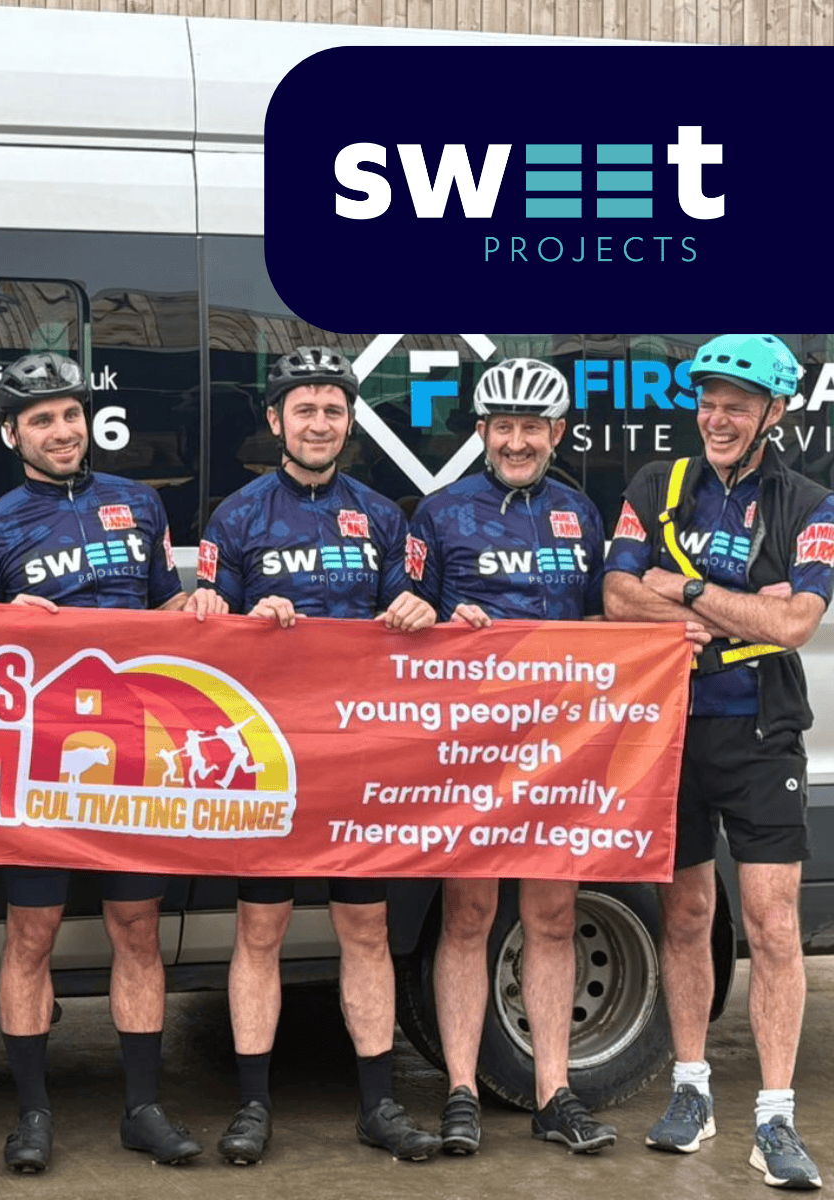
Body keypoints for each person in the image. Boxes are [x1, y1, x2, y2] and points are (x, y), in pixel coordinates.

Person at [0, 350, 219, 1173]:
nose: (61, 430)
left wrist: (200, 603)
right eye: (41, 419)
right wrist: (1, 618)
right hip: (39, 763)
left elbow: (161, 608)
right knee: (29, 934)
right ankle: (33, 1116)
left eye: (70, 415)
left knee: (137, 928)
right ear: (12, 434)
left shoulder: (138, 505)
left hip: (135, 759)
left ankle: (142, 1107)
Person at [195, 346, 439, 1166]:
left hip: (356, 757)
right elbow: (201, 633)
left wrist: (416, 606)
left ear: (349, 423)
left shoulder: (384, 516)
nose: (319, 422)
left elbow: (412, 618)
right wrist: (239, 616)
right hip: (266, 757)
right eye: (305, 408)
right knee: (258, 929)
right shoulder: (234, 517)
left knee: (364, 929)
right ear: (276, 421)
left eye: (333, 409)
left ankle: (378, 1105)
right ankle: (253, 1105)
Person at [604, 333, 834, 1190]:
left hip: (762, 732)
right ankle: (691, 1091)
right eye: (708, 400)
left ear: (775, 412)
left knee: (774, 925)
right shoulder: (657, 485)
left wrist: (688, 589)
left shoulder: (811, 503)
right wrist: (732, 603)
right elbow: (616, 592)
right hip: (669, 729)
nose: (718, 416)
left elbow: (794, 625)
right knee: (687, 916)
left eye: (738, 403)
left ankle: (774, 1118)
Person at [406, 357, 614, 1156]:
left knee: (553, 918)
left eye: (533, 427)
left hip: (559, 746)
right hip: (472, 747)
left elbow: (607, 623)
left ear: (556, 434)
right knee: (467, 915)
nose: (518, 440)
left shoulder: (580, 514)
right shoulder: (440, 512)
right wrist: (425, 610)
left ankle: (554, 1093)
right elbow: (404, 607)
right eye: (503, 426)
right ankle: (459, 1090)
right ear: (482, 432)